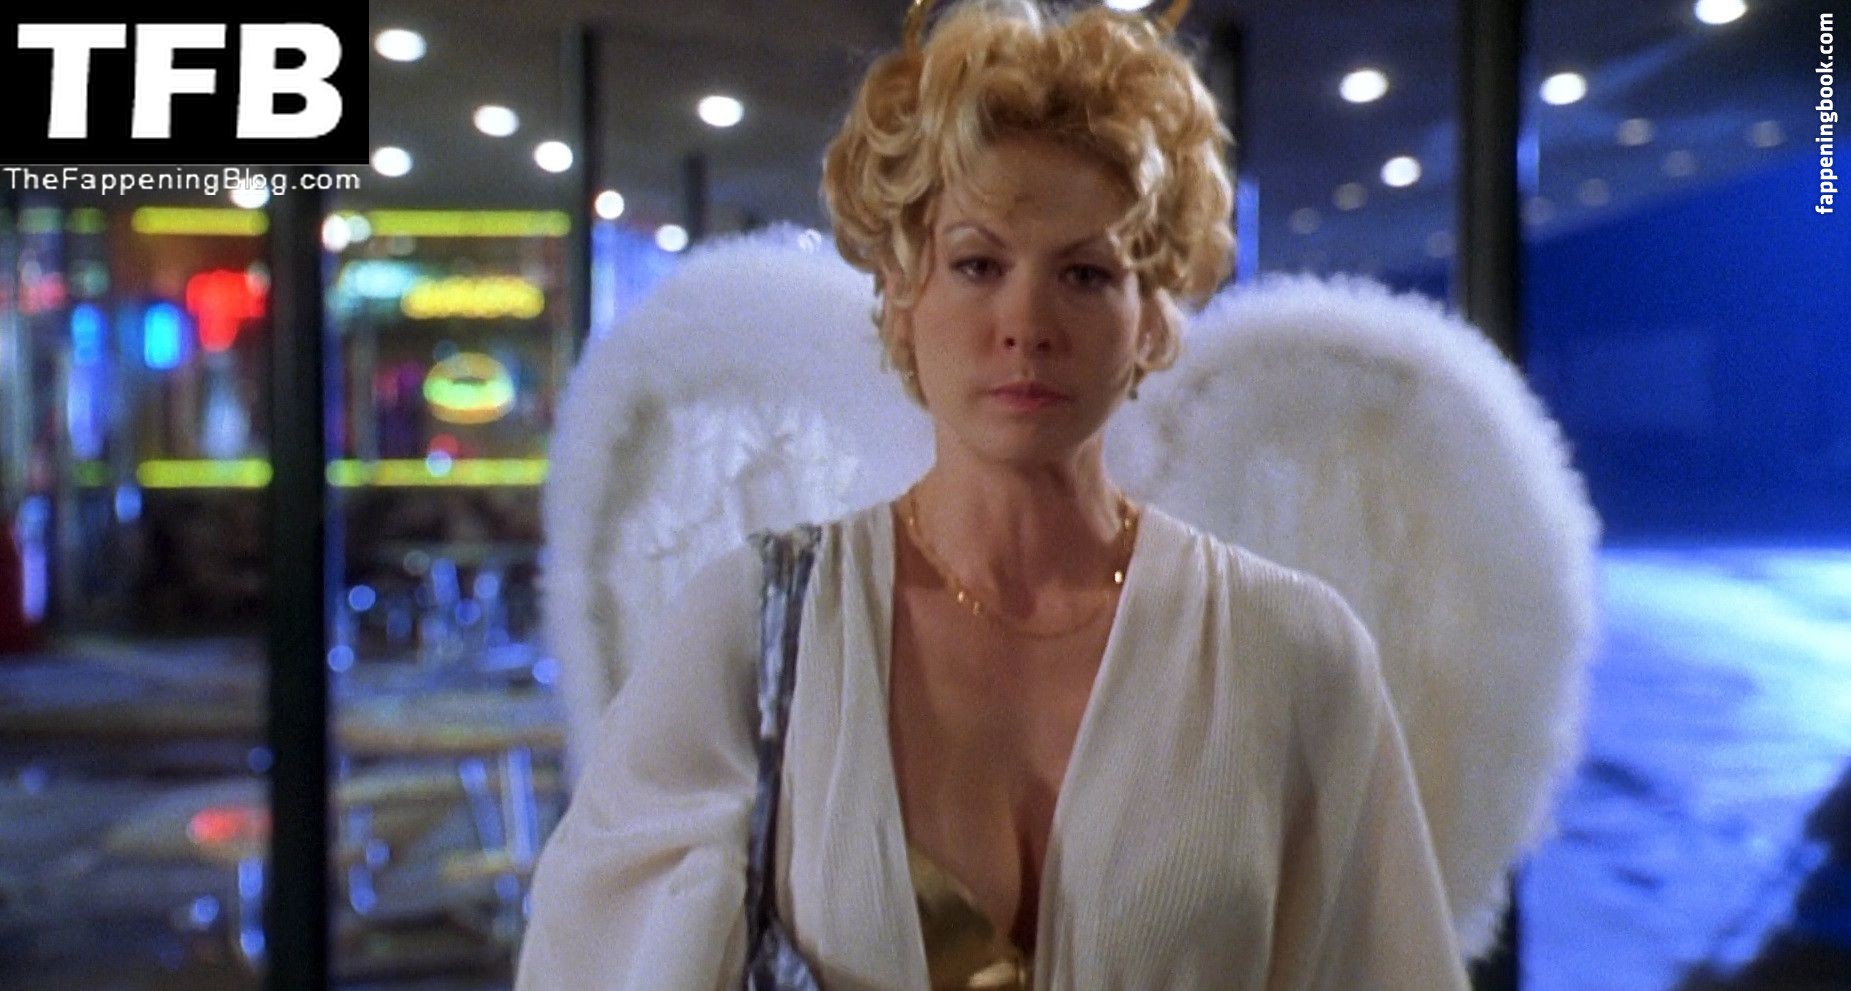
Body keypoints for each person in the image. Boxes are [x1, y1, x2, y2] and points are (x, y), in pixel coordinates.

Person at [517, 0, 1469, 987]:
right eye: (977, 264)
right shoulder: (760, 626)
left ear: (1151, 318)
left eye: (1085, 274)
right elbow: (590, 960)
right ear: (901, 295)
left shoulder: (1291, 649)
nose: (1025, 323)